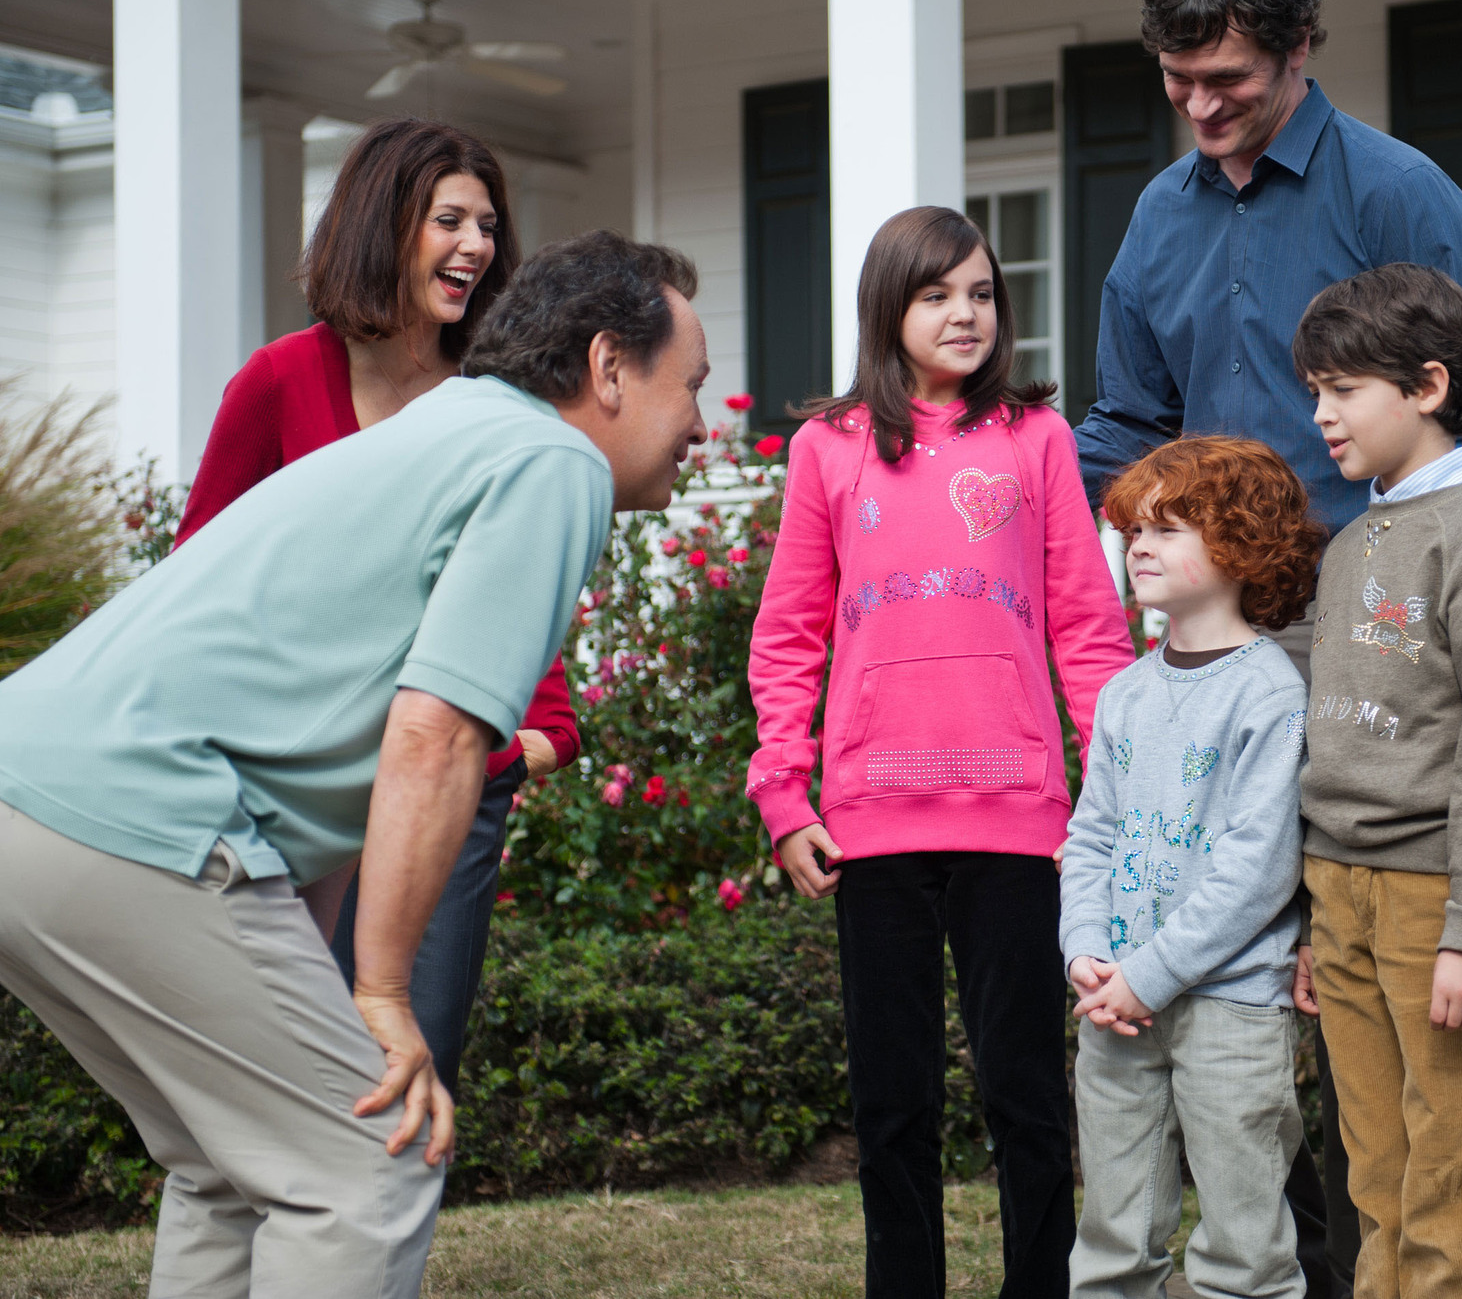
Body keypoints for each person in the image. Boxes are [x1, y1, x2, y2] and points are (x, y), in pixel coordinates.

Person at [0, 230, 709, 1297]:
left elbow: (338, 751)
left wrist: (339, 977)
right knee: (364, 1162)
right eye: (691, 384)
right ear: (608, 366)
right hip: (133, 814)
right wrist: (379, 993)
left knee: (236, 1160)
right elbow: (434, 735)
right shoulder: (551, 459)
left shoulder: (457, 426)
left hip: (32, 794)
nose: (702, 422)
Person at [1071, 0, 1462, 1294]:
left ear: (1297, 50)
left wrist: (1385, 601)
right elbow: (1124, 422)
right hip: (1219, 647)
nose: (1202, 108)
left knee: (1372, 1005)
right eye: (1177, 80)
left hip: (1368, 650)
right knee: (1252, 992)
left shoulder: (1397, 193)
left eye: (1228, 79)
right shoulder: (1158, 216)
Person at [747, 206, 1134, 1299]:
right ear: (889, 307)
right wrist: (784, 793)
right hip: (870, 823)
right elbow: (787, 632)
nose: (964, 313)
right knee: (892, 1101)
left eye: (979, 293)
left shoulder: (1033, 438)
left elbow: (1086, 628)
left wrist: (1098, 807)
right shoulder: (826, 447)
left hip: (1019, 819)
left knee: (1025, 1094)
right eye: (936, 294)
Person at [175, 117, 580, 1095]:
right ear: (384, 223)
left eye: (487, 225)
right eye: (450, 218)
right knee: (278, 1071)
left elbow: (522, 601)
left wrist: (529, 739)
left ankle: (380, 1255)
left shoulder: (497, 405)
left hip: (444, 782)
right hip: (293, 784)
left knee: (409, 1059)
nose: (476, 246)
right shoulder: (277, 382)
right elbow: (195, 582)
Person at [1293, 264, 1462, 1298]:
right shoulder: (1353, 540)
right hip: (1338, 888)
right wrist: (1307, 919)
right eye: (1313, 390)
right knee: (1377, 1172)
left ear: (1427, 387)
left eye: (1342, 389)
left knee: (1456, 1168)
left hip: (1433, 896)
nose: (1319, 414)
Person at [1061, 435, 1323, 1299]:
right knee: (1111, 1240)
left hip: (1230, 1010)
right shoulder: (1125, 693)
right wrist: (1086, 952)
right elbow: (1092, 835)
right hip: (1116, 1009)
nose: (1140, 545)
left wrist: (1152, 974)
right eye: (1135, 528)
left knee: (1244, 1251)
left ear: (1243, 545)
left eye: (1170, 528)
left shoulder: (1270, 694)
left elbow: (1257, 869)